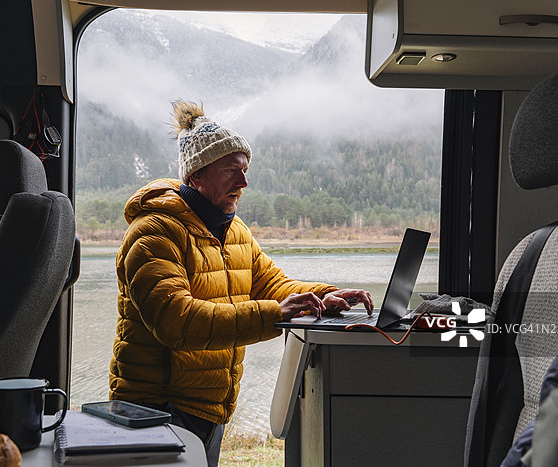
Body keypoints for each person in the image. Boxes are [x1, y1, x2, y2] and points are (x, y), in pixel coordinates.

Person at [110, 100, 373, 466]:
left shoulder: (235, 232)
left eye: (245, 170)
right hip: (155, 409)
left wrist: (325, 296)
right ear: (196, 176)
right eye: (231, 171)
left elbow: (273, 285)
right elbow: (177, 319)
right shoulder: (154, 233)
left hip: (208, 408)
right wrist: (273, 315)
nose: (244, 182)